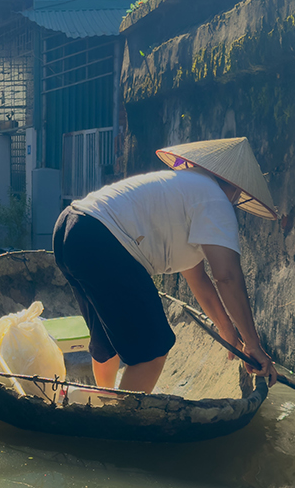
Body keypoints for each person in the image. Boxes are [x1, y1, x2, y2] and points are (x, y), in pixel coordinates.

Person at [51, 137, 280, 394]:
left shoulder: (187, 187)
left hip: (70, 229)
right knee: (153, 349)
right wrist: (254, 344)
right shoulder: (215, 200)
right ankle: (123, 425)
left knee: (107, 339)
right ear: (237, 190)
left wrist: (228, 331)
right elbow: (226, 277)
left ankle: (105, 401)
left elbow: (197, 277)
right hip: (103, 240)